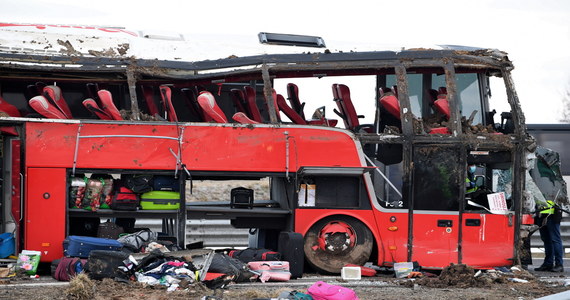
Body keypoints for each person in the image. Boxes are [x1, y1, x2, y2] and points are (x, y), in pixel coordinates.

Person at [534, 200, 564, 272]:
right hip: (541, 214)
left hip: (552, 214)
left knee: (555, 240)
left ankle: (559, 264)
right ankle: (548, 264)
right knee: (546, 240)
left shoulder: (552, 189)